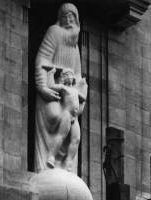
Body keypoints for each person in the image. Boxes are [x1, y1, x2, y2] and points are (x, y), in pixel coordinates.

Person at [34, 3, 87, 172]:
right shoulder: (54, 32)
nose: (69, 20)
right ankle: (49, 158)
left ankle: (68, 164)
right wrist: (42, 87)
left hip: (71, 99)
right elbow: (42, 60)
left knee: (75, 136)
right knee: (55, 116)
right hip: (53, 89)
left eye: (72, 16)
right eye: (65, 16)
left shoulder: (75, 45)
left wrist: (80, 99)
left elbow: (79, 77)